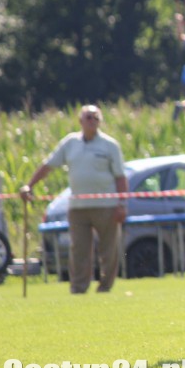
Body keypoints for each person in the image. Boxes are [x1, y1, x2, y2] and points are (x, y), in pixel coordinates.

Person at [19, 105, 127, 293]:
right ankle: (78, 288)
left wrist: (122, 204)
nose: (92, 120)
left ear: (100, 121)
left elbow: (120, 177)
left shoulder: (110, 145)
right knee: (79, 250)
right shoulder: (70, 143)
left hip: (106, 206)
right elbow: (48, 165)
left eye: (95, 117)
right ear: (80, 121)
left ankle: (105, 287)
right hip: (78, 206)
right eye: (88, 117)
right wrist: (30, 185)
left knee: (109, 250)